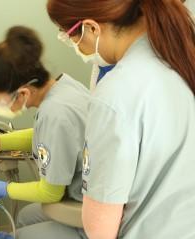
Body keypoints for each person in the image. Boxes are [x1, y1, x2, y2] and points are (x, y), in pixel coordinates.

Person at [47, 0, 195, 238]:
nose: (76, 47)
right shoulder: (181, 61)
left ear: (92, 28)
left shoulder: (115, 95)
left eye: (71, 38)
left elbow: (100, 229)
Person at [0, 26, 90, 239]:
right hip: (80, 200)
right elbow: (50, 137)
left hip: (90, 215)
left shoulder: (55, 113)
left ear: (22, 94)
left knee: (19, 235)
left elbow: (51, 192)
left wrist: (3, 189)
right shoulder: (64, 87)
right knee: (25, 217)